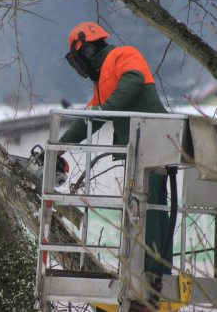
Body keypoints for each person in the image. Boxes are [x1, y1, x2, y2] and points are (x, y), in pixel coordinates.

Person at [59, 22, 172, 275]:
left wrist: (106, 109)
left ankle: (152, 272)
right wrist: (59, 146)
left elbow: (133, 81)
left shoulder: (123, 55)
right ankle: (156, 269)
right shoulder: (102, 79)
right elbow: (90, 119)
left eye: (78, 59)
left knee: (148, 210)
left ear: (86, 50)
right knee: (148, 207)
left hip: (153, 145)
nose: (80, 67)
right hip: (140, 151)